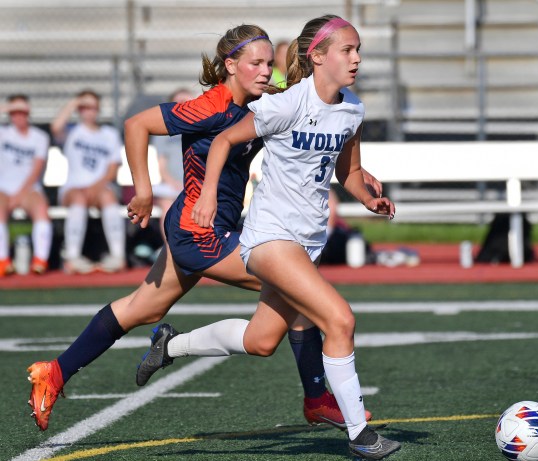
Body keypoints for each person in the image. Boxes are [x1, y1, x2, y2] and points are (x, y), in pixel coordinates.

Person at [26, 23, 377, 435]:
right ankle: (317, 399)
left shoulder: (261, 105)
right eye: (256, 64)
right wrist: (142, 190)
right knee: (300, 292)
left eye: (270, 63)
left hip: (218, 228)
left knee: (144, 308)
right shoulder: (209, 106)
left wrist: (354, 170)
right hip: (198, 231)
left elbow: (305, 116)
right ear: (231, 65)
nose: (267, 72)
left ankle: (55, 371)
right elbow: (136, 125)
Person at [144, 15, 402, 459]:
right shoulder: (286, 104)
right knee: (339, 320)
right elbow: (224, 141)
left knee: (261, 341)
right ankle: (360, 434)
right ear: (317, 57)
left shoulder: (352, 109)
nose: (356, 59)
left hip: (308, 241)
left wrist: (367, 197)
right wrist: (206, 199)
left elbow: (349, 171)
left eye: (358, 50)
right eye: (347, 50)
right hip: (270, 239)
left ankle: (171, 344)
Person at [50, 90, 126, 274]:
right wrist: (75, 101)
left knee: (108, 197)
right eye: (84, 107)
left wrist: (95, 187)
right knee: (78, 198)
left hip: (101, 187)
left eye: (92, 107)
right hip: (73, 188)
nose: (89, 111)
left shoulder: (109, 134)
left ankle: (118, 256)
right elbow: (55, 126)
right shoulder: (72, 132)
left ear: (98, 110)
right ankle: (72, 257)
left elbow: (112, 169)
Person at [0, 94, 53, 276]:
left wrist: (19, 195)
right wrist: (6, 108)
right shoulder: (4, 133)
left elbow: (36, 169)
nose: (19, 116)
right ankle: (3, 261)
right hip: (4, 188)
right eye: (14, 112)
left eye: (22, 112)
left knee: (41, 210)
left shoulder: (39, 137)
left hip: (29, 188)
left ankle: (40, 260)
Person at [151, 88, 193, 238]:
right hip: (171, 184)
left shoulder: (201, 129)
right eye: (180, 102)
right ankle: (170, 249)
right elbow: (161, 165)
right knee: (167, 207)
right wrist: (172, 182)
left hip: (195, 183)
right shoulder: (163, 131)